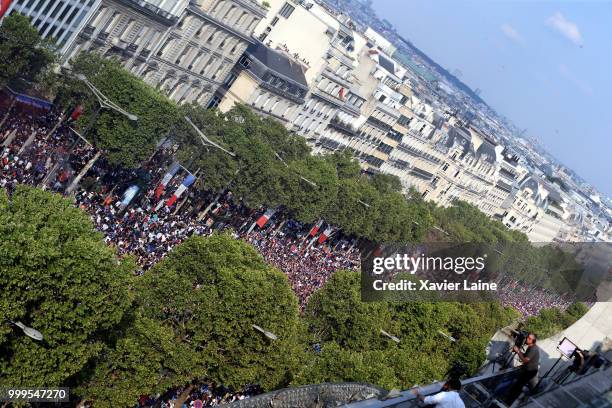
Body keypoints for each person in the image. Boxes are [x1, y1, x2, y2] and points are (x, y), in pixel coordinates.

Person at [504, 332, 540, 405]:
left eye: (530, 338)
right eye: (527, 337)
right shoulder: (531, 347)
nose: (527, 339)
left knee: (521, 388)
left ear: (533, 340)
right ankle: (509, 401)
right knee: (518, 386)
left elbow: (525, 360)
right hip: (528, 370)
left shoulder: (533, 349)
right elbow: (526, 358)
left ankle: (508, 403)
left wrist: (518, 351)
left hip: (530, 372)